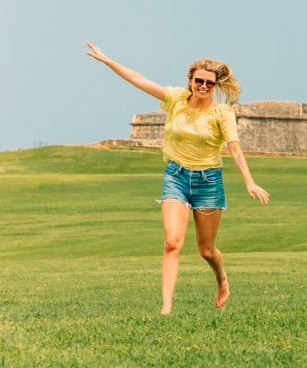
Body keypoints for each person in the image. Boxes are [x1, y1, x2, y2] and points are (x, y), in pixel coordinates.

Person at [85, 42, 270, 314]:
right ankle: (166, 309)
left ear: (216, 85)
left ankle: (221, 278)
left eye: (209, 82)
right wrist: (107, 60)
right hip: (176, 177)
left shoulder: (222, 113)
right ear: (190, 80)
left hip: (209, 182)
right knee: (172, 242)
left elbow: (234, 148)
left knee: (206, 251)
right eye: (199, 80)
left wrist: (249, 182)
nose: (203, 86)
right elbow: (139, 79)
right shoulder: (175, 99)